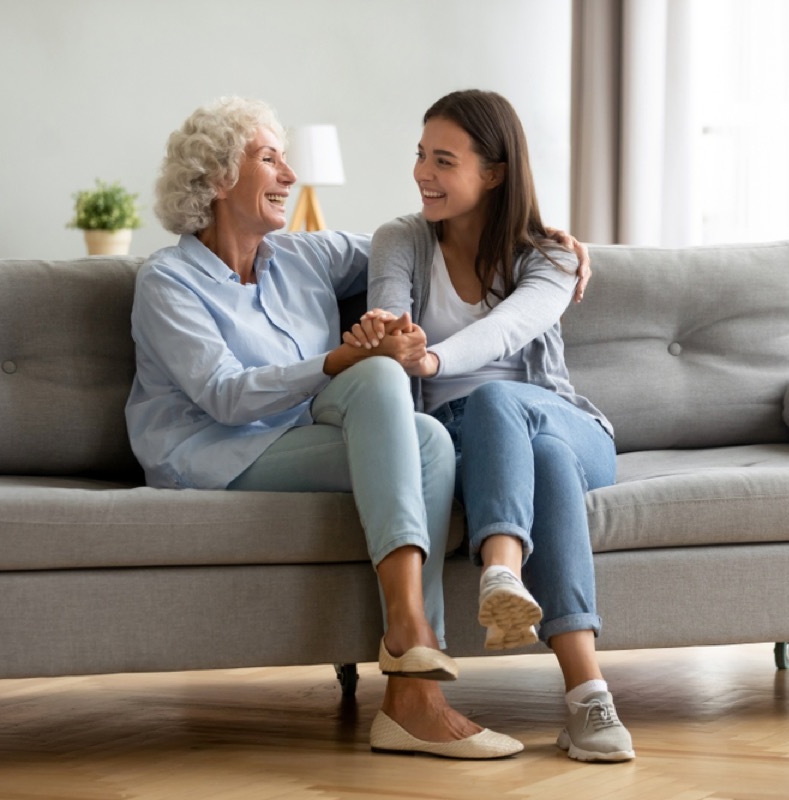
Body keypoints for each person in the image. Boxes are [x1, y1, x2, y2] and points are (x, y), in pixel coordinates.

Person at [124, 96, 524, 759]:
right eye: (269, 159)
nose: (289, 175)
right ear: (219, 178)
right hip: (213, 454)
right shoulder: (167, 282)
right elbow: (224, 397)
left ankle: (408, 681)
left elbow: (421, 242)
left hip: (302, 435)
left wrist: (537, 242)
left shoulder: (305, 258)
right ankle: (412, 648)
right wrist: (340, 359)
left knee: (423, 432)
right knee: (370, 375)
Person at [348, 89, 635, 762]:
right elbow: (391, 319)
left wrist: (434, 355)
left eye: (444, 160)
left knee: (506, 405)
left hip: (567, 422)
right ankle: (590, 700)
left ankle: (502, 569)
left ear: (495, 172)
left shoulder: (553, 258)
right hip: (469, 440)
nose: (423, 173)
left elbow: (509, 333)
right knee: (543, 462)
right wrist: (392, 337)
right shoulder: (400, 240)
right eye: (420, 156)